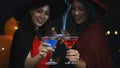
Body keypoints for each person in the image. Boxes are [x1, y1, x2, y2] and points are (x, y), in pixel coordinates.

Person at [50, 0, 113, 68]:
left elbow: (84, 65)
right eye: (73, 9)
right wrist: (69, 40)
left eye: (81, 9)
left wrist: (74, 60)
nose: (76, 13)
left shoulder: (92, 31)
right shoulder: (87, 27)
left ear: (89, 10)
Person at [8, 0, 67, 68]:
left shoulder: (44, 33)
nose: (42, 16)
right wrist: (40, 55)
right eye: (39, 11)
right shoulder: (22, 33)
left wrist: (58, 44)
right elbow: (25, 65)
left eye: (46, 13)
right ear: (31, 11)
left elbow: (50, 61)